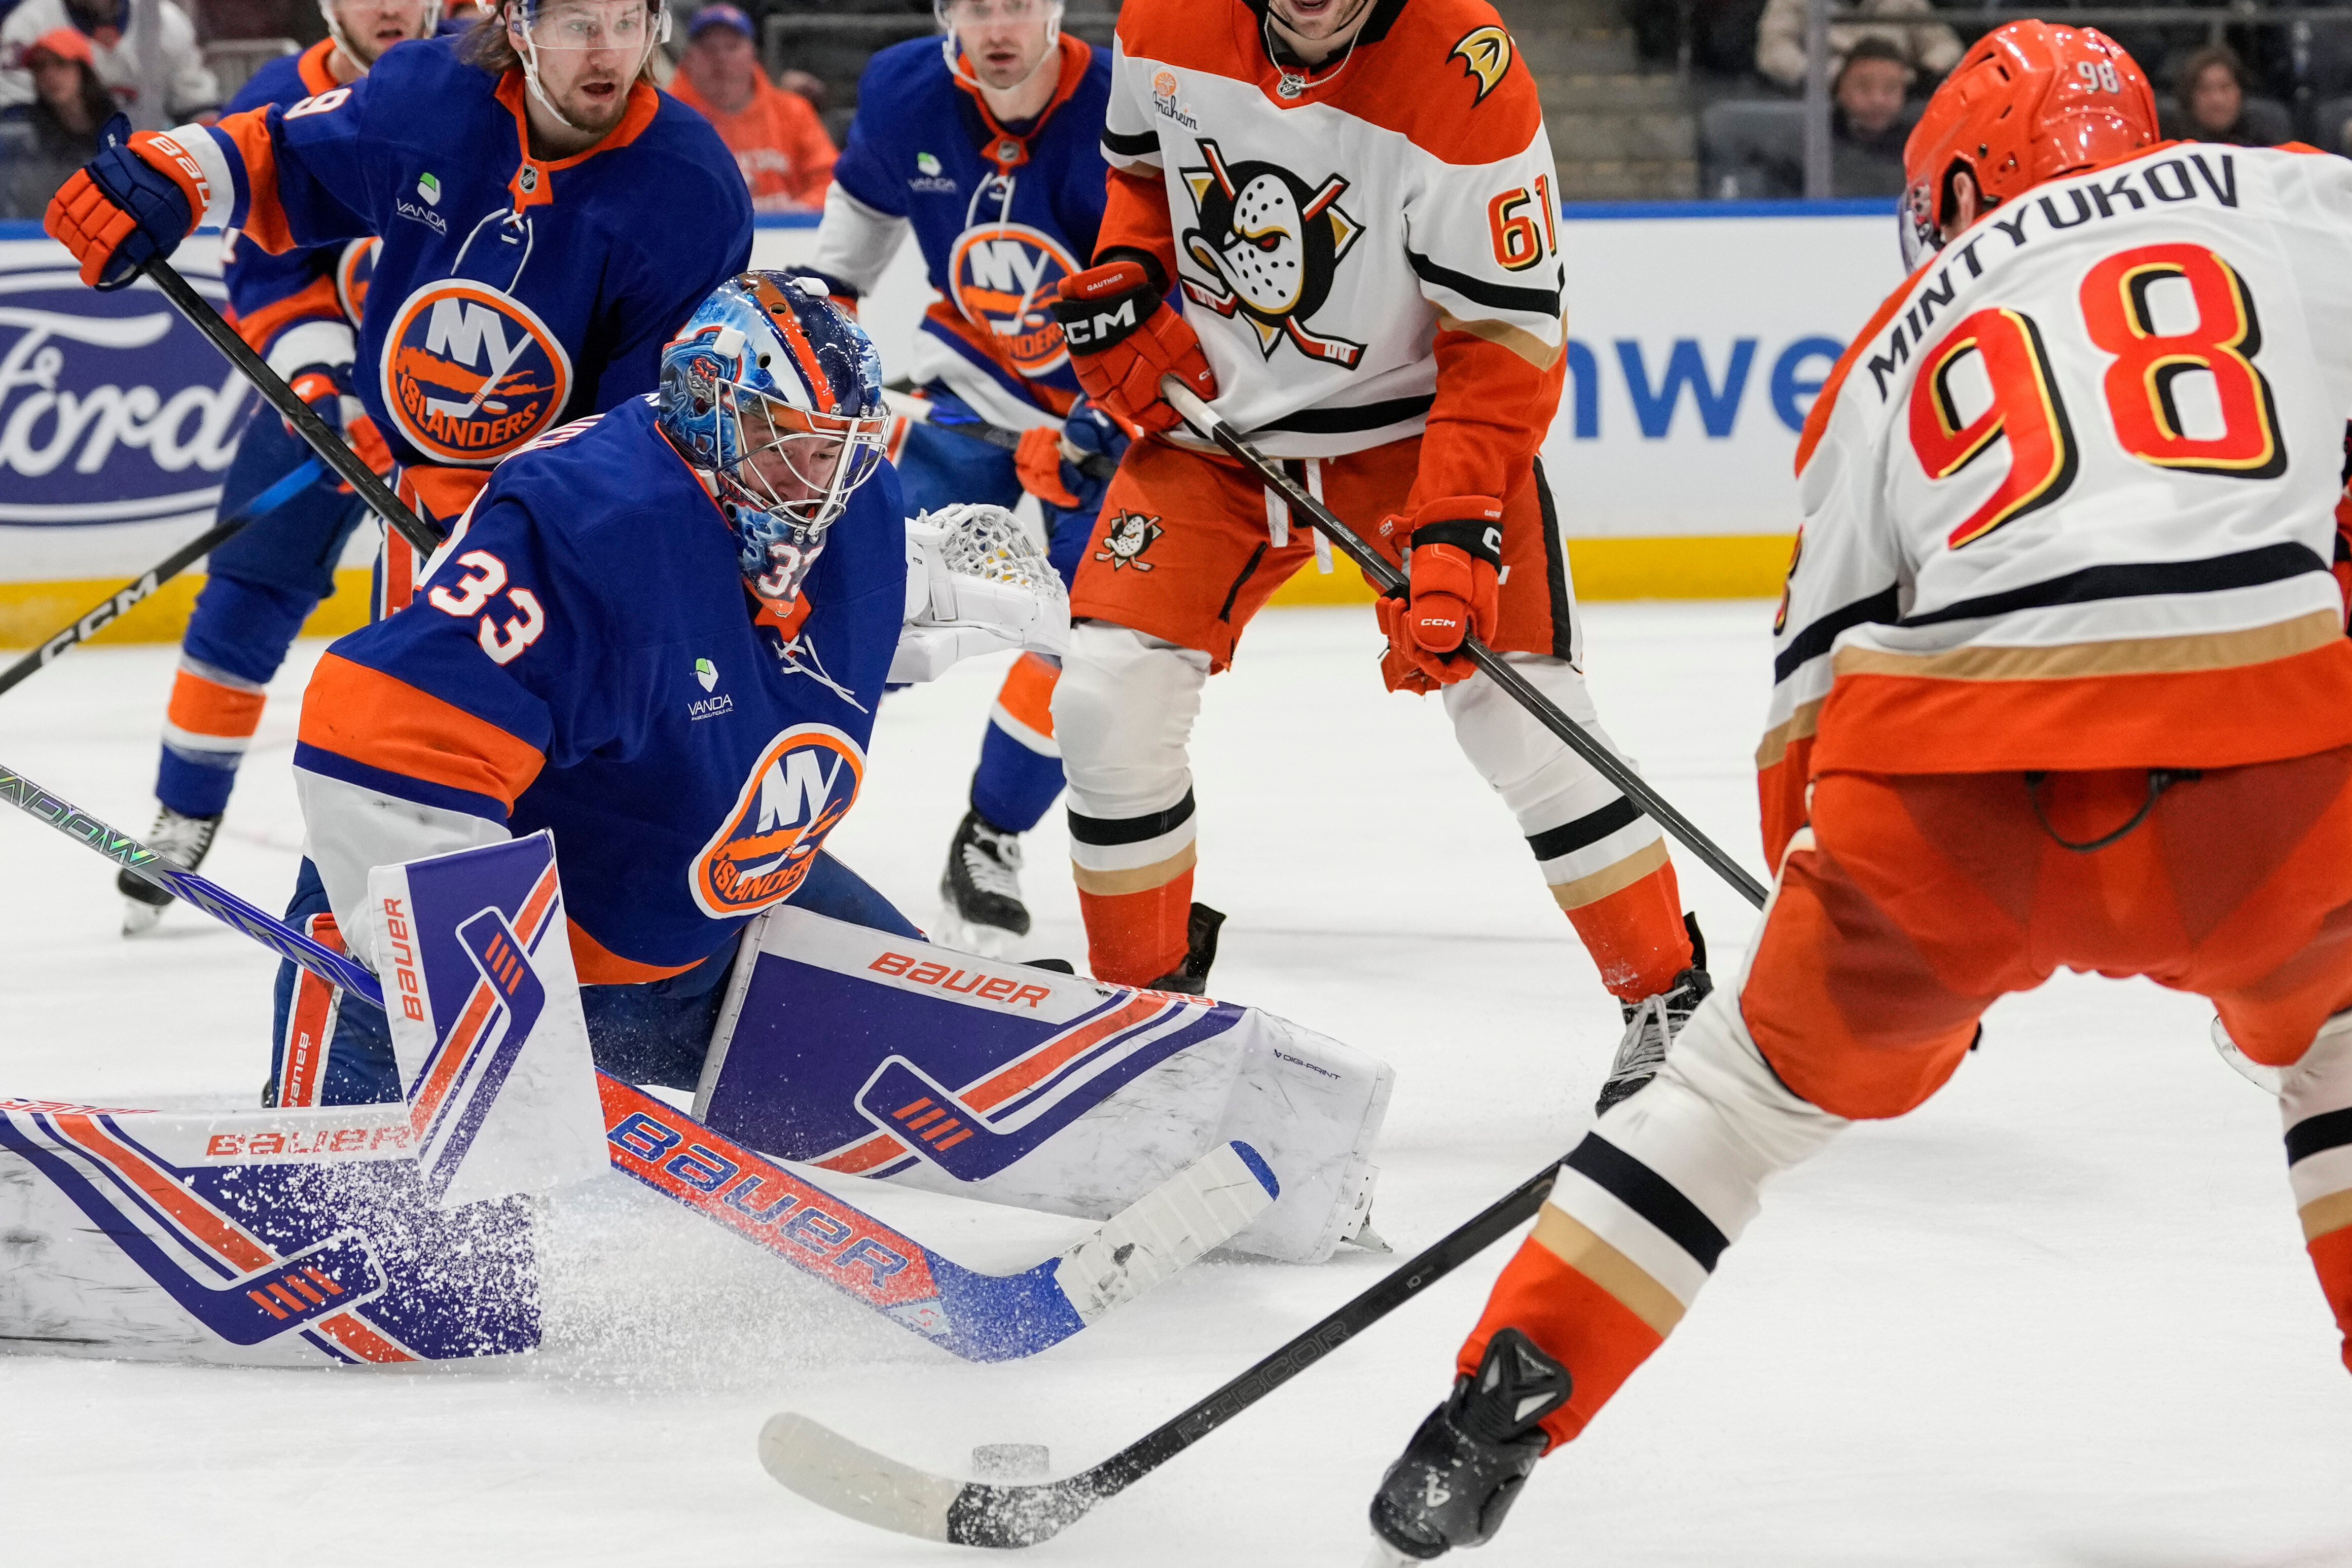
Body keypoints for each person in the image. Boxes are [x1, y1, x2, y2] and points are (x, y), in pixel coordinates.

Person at [1364, 22, 2352, 1559]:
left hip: (1949, 779)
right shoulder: (2285, 198)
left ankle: (1494, 1408)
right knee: (2344, 1056)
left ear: (1963, 182)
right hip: (2265, 751)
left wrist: (1837, 948)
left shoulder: (1892, 344)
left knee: (1732, 1096)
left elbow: (1809, 693)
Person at [1052, 0, 1711, 1108]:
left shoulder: (1468, 71)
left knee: (1518, 710)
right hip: (1219, 425)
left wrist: (1456, 525)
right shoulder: (1162, 17)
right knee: (1106, 699)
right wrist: (1126, 283)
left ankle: (1668, 990)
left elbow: (1505, 338)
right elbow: (1140, 180)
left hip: (1414, 432)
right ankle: (1144, 1013)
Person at [44, 0, 754, 915]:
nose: (607, 51)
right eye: (579, 23)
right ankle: (207, 829)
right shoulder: (427, 94)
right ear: (519, 24)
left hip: (546, 518)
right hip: (357, 428)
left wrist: (519, 527)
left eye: (628, 20)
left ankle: (575, 950)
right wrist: (171, 174)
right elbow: (274, 161)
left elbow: (641, 430)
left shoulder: (689, 187)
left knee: (529, 761)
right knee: (317, 673)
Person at [265, 273, 997, 1104]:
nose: (819, 486)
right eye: (792, 443)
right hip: (496, 939)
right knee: (386, 1228)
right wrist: (473, 981)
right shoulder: (591, 523)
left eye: (840, 452)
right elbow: (377, 734)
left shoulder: (845, 504)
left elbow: (806, 628)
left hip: (701, 941)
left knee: (967, 1052)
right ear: (705, 406)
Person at [804, 0, 1125, 956]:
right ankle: (752, 795)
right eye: (976, 4)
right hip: (969, 388)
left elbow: (1175, 281)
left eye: (1018, 3)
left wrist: (1100, 417)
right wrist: (824, 351)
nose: (998, 26)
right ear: (946, 12)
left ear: (1055, 9)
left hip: (1107, 411)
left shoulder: (1122, 106)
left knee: (1099, 644)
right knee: (852, 597)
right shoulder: (907, 89)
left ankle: (989, 834)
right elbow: (845, 252)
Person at [112, 0, 435, 937]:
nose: (390, 6)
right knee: (247, 595)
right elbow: (271, 270)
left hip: (459, 416)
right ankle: (185, 813)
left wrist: (410, 399)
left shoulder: (480, 84)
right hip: (315, 403)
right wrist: (324, 387)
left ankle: (431, 830)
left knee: (433, 629)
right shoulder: (278, 98)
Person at [665, 3, 835, 214]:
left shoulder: (794, 111)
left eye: (732, 46)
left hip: (787, 238)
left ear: (752, 53)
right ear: (689, 57)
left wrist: (797, 209)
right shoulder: (665, 117)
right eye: (709, 48)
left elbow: (829, 182)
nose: (721, 58)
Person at [0, 0, 219, 128]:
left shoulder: (166, 19)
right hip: (58, 167)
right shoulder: (28, 22)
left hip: (152, 166)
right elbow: (15, 125)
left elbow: (200, 107)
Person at [0, 26, 112, 217]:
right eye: (40, 67)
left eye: (61, 64)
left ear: (83, 70)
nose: (49, 75)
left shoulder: (119, 126)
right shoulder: (25, 136)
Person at [1754, 0, 1957, 94]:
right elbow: (1773, 51)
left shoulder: (1906, 3)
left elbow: (1948, 48)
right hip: (1820, 108)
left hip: (1897, 111)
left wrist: (1909, 79)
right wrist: (1827, 78)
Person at [2163, 42, 2281, 147]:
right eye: (2205, 89)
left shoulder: (2265, 143)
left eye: (2225, 88)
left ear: (2241, 91)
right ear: (2188, 96)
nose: (2217, 99)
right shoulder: (2170, 146)